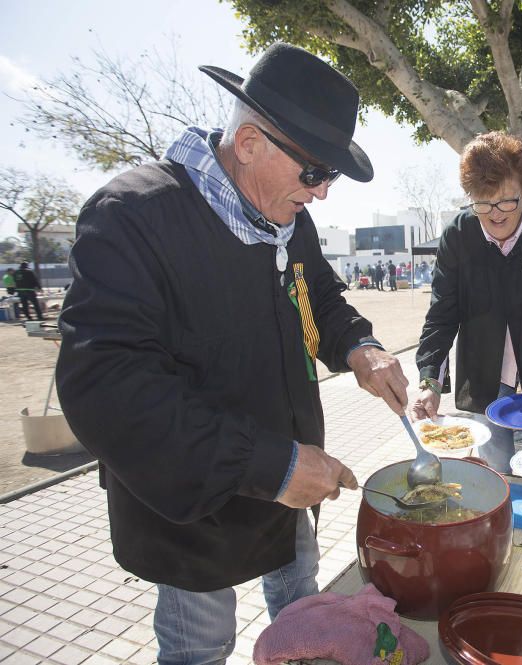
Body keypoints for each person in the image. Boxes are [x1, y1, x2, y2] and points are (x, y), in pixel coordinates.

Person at [54, 43, 410, 665]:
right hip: (197, 506)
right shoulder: (132, 217)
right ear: (248, 143)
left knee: (306, 621)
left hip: (290, 478)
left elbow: (319, 298)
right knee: (201, 647)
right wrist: (269, 464)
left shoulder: (289, 219)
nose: (323, 194)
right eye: (314, 173)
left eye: (330, 176)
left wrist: (361, 346)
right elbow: (107, 388)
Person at [412, 131, 522, 473]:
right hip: (484, 372)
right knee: (496, 465)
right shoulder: (459, 235)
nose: (495, 214)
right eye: (482, 202)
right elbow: (441, 316)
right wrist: (429, 379)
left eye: (507, 200)